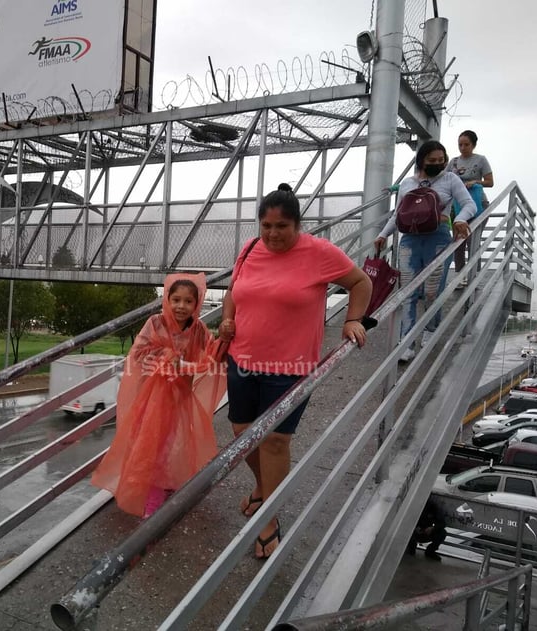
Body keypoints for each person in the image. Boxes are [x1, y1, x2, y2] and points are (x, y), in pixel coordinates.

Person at [218, 184, 372, 559]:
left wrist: (353, 319)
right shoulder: (251, 249)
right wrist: (226, 319)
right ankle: (262, 487)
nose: (272, 234)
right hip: (242, 359)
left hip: (290, 367)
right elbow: (233, 292)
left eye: (281, 226)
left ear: (298, 225)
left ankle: (268, 521)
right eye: (266, 225)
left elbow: (360, 282)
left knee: (273, 441)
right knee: (242, 437)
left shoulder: (319, 253)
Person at [91, 273, 227, 518]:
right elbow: (139, 351)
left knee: (172, 446)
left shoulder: (198, 329)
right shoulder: (155, 323)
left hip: (180, 400)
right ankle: (151, 496)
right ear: (167, 299)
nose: (181, 306)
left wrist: (226, 338)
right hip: (152, 399)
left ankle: (165, 485)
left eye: (188, 301)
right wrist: (165, 355)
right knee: (151, 445)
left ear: (197, 304)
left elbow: (210, 354)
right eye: (176, 300)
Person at [374, 140, 477, 363]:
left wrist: (459, 219)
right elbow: (397, 215)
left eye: (441, 161)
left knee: (433, 292)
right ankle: (407, 342)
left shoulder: (450, 179)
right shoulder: (407, 184)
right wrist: (382, 234)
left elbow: (470, 205)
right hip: (410, 241)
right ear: (421, 161)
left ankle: (431, 329)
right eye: (432, 161)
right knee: (409, 293)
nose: (437, 164)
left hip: (438, 239)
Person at [447, 130, 494, 283]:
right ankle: (460, 275)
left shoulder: (480, 160)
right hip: (458, 206)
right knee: (458, 241)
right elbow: (444, 180)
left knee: (472, 240)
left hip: (478, 203)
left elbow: (490, 182)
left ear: (473, 145)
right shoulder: (453, 162)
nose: (463, 147)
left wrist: (475, 182)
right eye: (460, 144)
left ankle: (473, 275)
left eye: (466, 144)